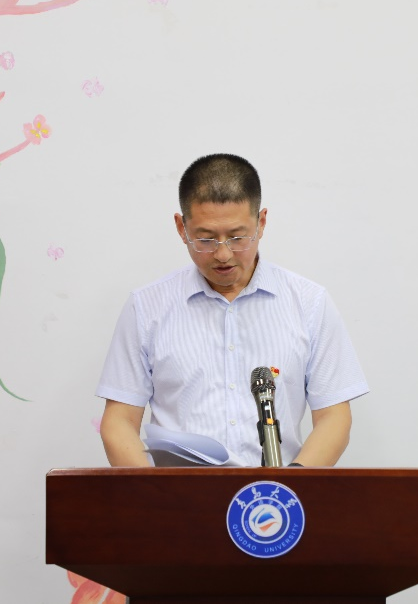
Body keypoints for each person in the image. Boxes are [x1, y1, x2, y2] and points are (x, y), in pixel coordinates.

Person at [96, 154, 368, 467]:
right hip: (179, 493)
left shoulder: (310, 302)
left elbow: (334, 417)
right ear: (181, 228)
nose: (223, 254)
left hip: (273, 494)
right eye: (206, 239)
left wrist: (288, 485)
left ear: (261, 222)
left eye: (238, 237)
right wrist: (156, 491)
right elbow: (119, 422)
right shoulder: (146, 306)